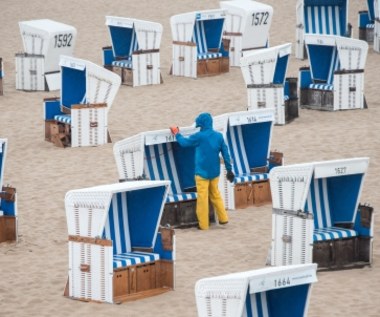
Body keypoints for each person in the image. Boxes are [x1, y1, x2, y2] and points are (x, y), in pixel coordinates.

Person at [170, 112, 235, 230]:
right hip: (215, 173)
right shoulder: (219, 136)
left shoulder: (199, 136)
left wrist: (177, 134)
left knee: (203, 198)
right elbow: (226, 154)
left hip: (201, 174)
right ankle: (223, 218)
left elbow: (184, 143)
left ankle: (204, 225)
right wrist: (229, 170)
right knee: (215, 194)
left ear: (201, 125)